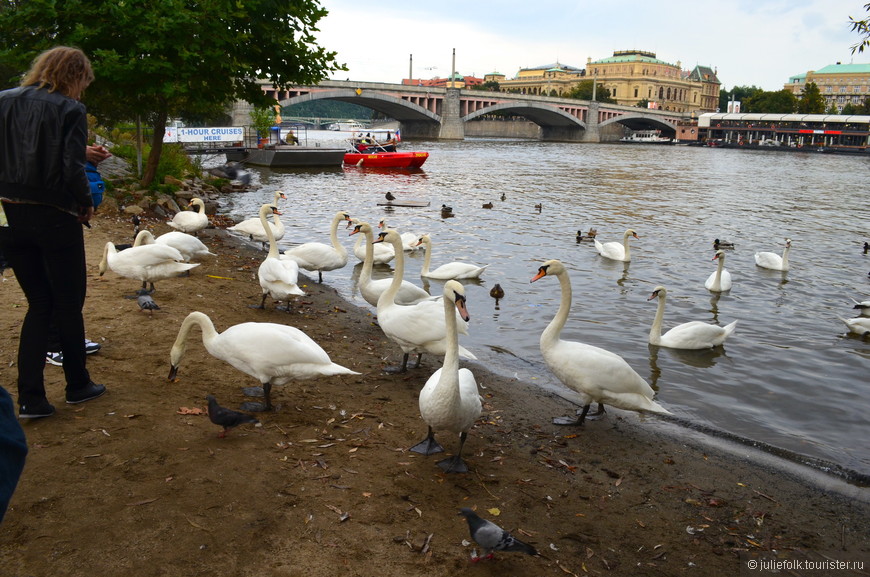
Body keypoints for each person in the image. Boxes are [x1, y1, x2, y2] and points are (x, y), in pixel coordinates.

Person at [0, 46, 107, 419]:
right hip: (54, 215)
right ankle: (78, 385)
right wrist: (85, 202)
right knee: (68, 302)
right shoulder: (70, 109)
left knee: (38, 304)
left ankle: (30, 399)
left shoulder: (4, 101)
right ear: (74, 77)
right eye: (82, 84)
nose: (81, 93)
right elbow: (68, 166)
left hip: (9, 215)